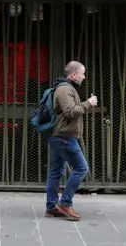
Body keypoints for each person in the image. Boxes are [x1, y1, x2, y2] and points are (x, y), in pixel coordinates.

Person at [45, 61, 98, 221]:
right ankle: (65, 203)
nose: (83, 77)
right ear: (74, 75)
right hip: (64, 136)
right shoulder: (64, 89)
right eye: (82, 73)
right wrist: (87, 104)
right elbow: (69, 112)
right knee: (82, 168)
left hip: (59, 135)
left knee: (56, 172)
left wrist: (84, 105)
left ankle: (52, 207)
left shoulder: (67, 88)